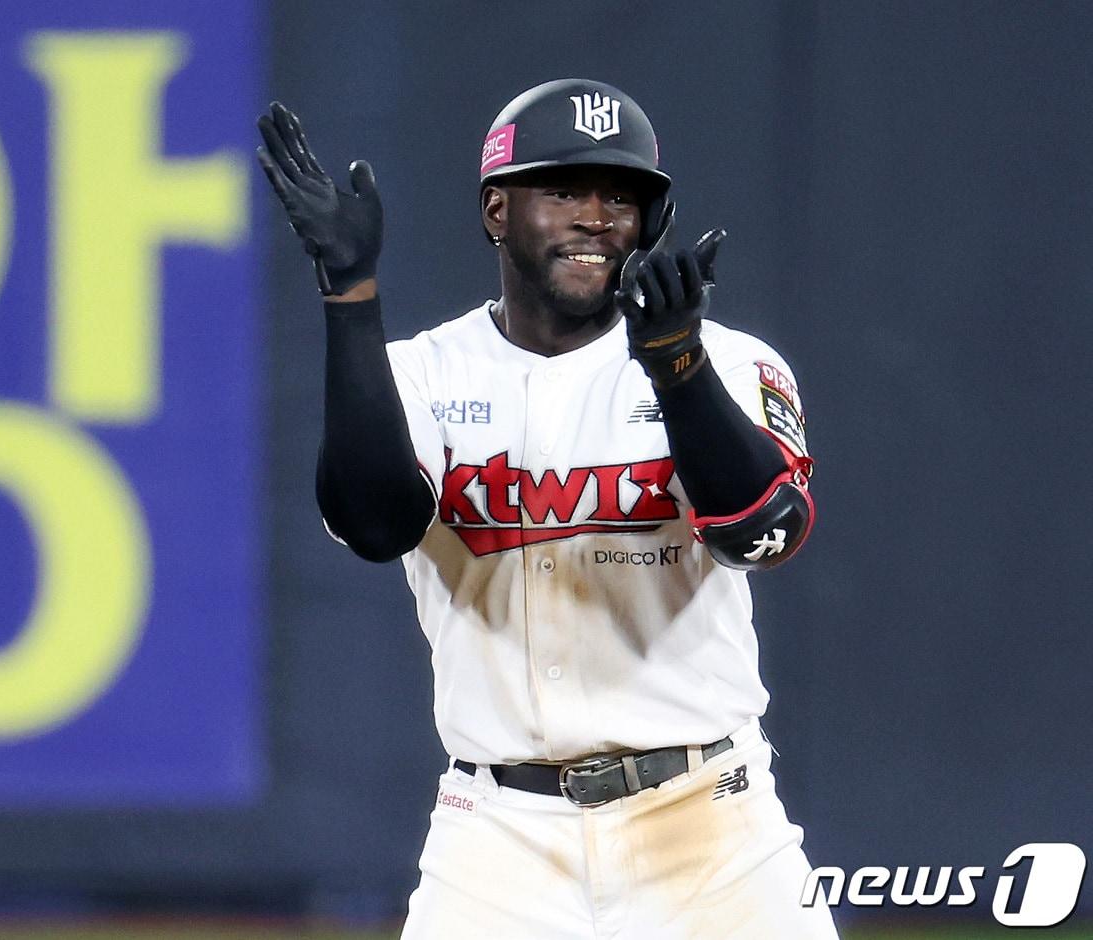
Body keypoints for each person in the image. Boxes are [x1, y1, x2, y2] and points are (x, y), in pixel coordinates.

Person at [257, 79, 837, 940]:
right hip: (498, 839)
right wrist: (350, 297)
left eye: (620, 196)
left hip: (710, 823)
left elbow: (764, 534)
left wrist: (678, 366)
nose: (596, 216)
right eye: (563, 189)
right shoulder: (426, 373)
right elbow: (375, 526)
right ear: (498, 212)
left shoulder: (726, 358)